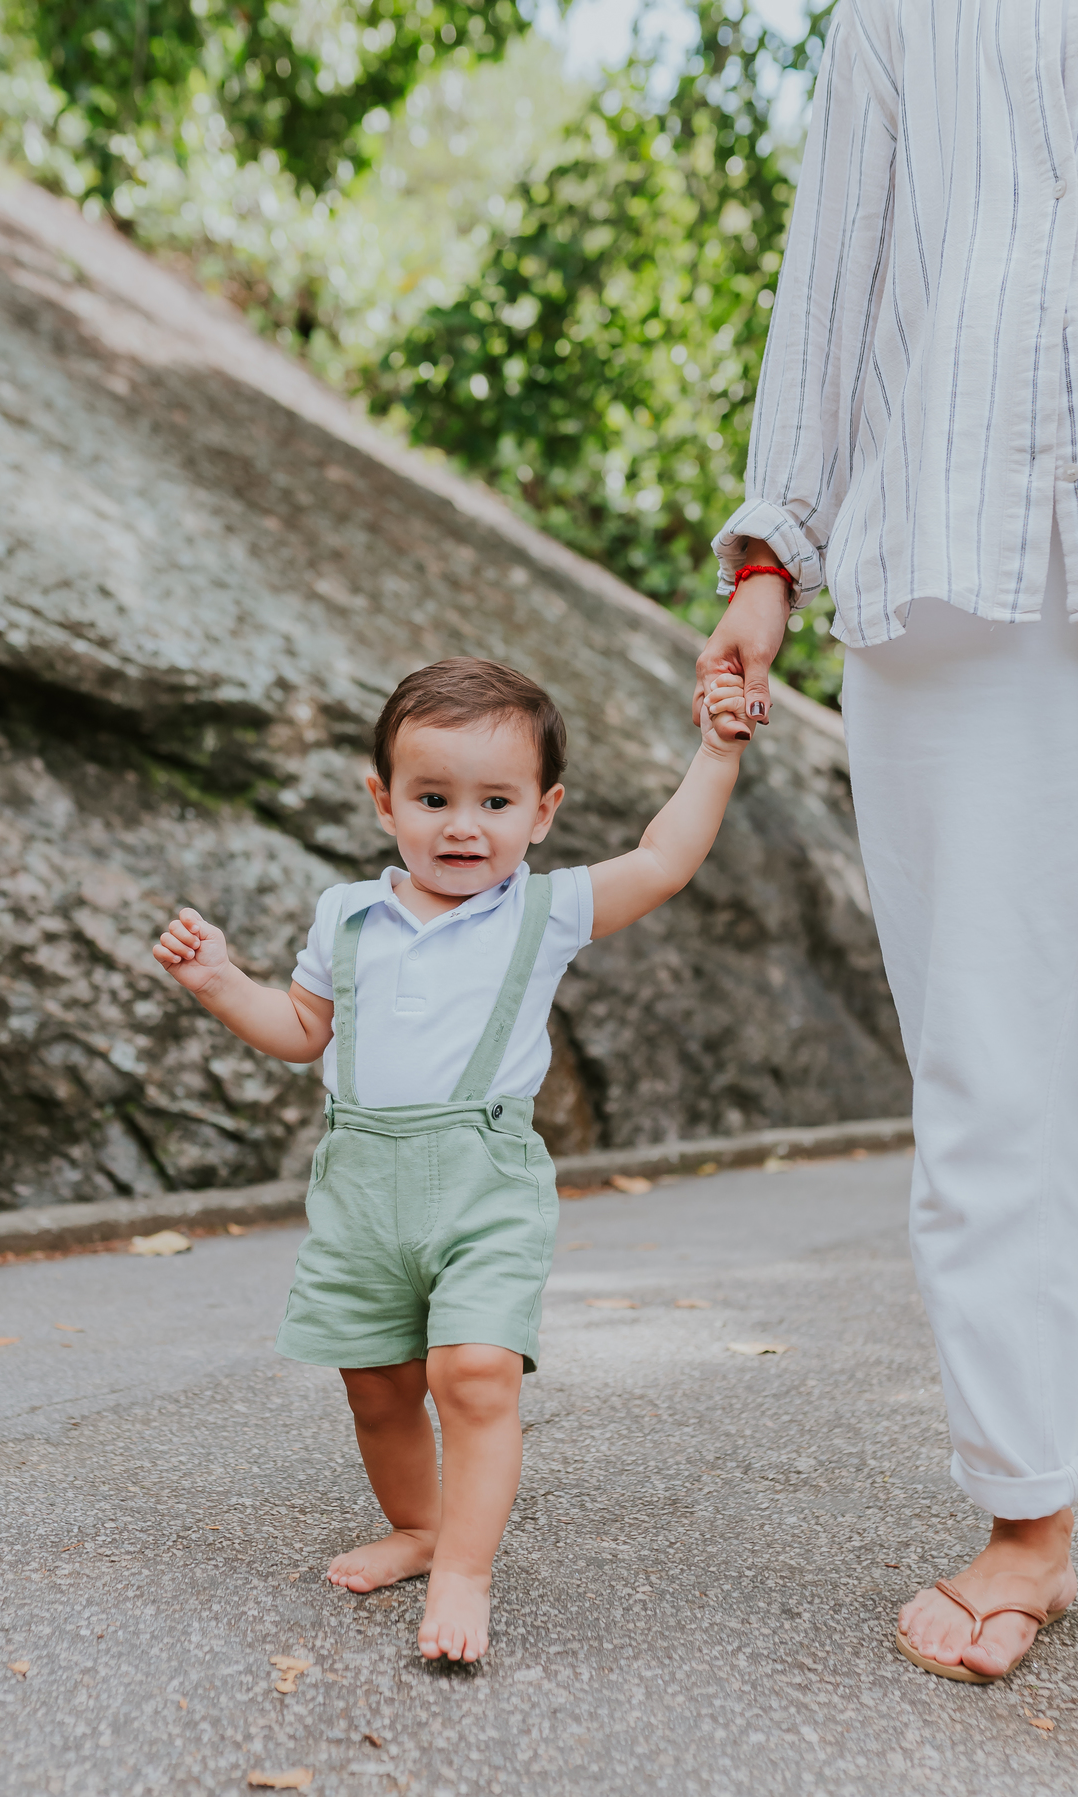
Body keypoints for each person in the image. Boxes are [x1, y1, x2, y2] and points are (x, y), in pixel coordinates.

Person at [705, 0, 1078, 1685]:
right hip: (951, 545)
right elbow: (834, 271)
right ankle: (1032, 1508)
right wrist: (772, 546)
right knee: (991, 1057)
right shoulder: (896, 14)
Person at [152, 657, 754, 1664]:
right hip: (360, 1188)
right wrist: (220, 982)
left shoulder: (542, 910)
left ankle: (465, 1572)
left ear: (544, 811)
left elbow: (662, 859)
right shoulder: (343, 913)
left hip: (483, 1178)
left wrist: (718, 752)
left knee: (474, 1372)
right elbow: (304, 1028)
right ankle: (422, 1530)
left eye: (495, 801)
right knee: (378, 1383)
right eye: (432, 799)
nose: (462, 826)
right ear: (385, 800)